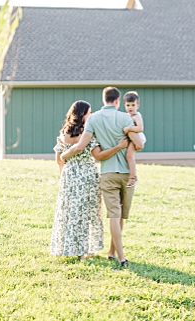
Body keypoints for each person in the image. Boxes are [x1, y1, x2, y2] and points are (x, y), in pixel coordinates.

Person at [60, 86, 135, 267]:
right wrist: (123, 144)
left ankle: (111, 253)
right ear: (118, 101)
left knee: (107, 216)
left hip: (98, 173)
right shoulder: (126, 118)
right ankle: (114, 254)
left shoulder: (89, 122)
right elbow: (139, 143)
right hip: (118, 173)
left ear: (104, 99)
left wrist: (63, 157)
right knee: (116, 216)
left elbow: (75, 146)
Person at [122, 91, 146, 188]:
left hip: (138, 138)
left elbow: (140, 128)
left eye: (133, 105)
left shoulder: (137, 116)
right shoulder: (125, 116)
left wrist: (128, 129)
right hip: (131, 139)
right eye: (128, 105)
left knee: (129, 155)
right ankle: (129, 173)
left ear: (138, 106)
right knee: (127, 155)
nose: (130, 107)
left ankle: (133, 176)